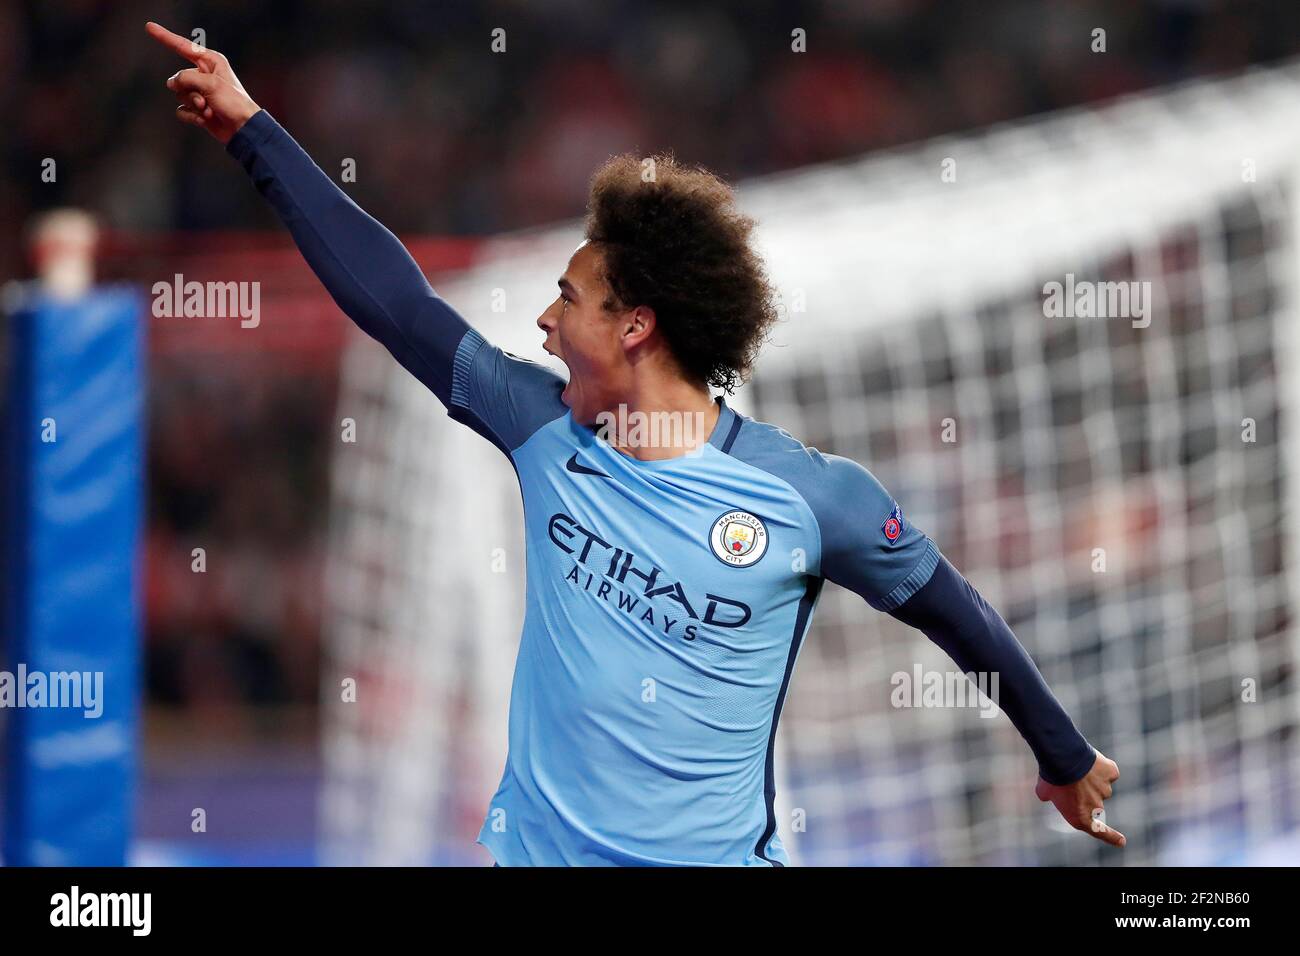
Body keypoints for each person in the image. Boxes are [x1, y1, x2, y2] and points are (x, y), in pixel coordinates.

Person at [147, 20, 1124, 865]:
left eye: (566, 299)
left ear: (634, 328)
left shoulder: (814, 498)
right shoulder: (533, 425)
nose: (540, 321)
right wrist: (250, 131)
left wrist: (1063, 754)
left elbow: (960, 618)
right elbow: (396, 302)